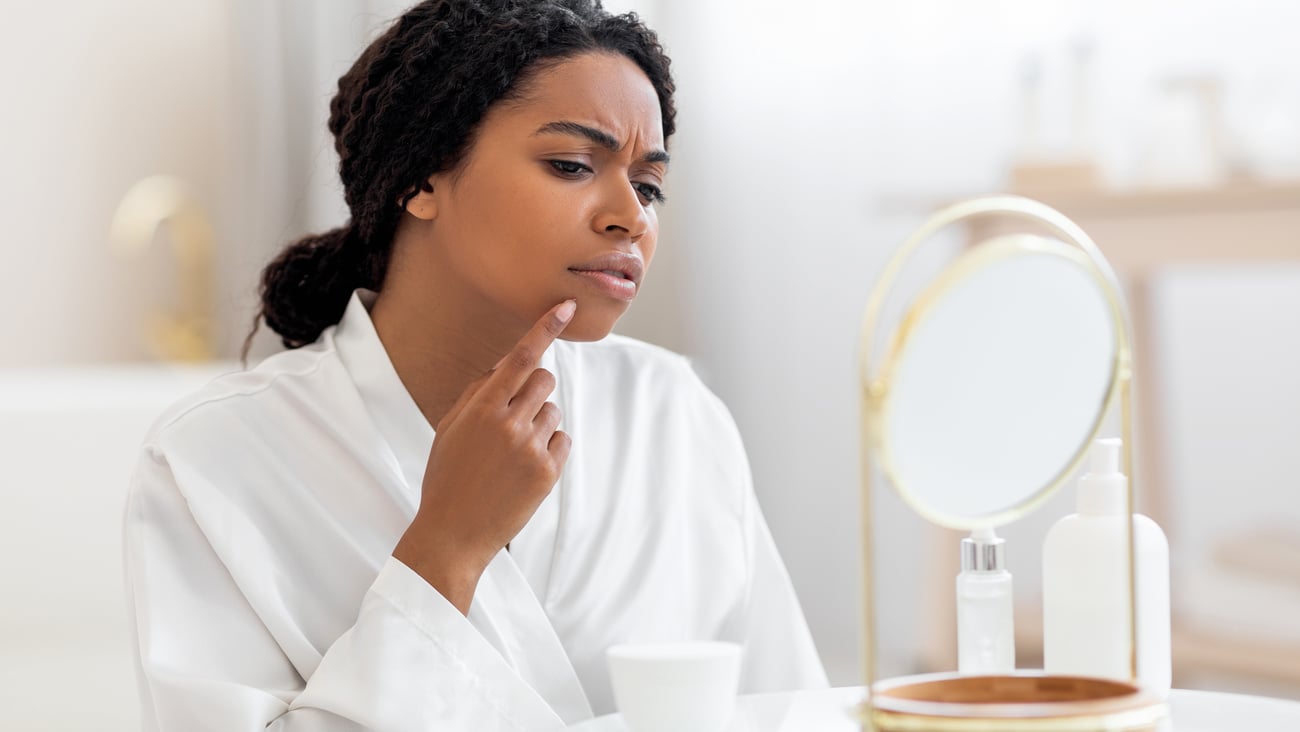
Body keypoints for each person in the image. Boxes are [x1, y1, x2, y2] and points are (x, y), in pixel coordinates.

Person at [122, 1, 827, 729]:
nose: (631, 217)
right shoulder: (213, 459)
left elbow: (789, 710)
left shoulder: (673, 412)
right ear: (420, 178)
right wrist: (446, 549)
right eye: (571, 165)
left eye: (648, 185)